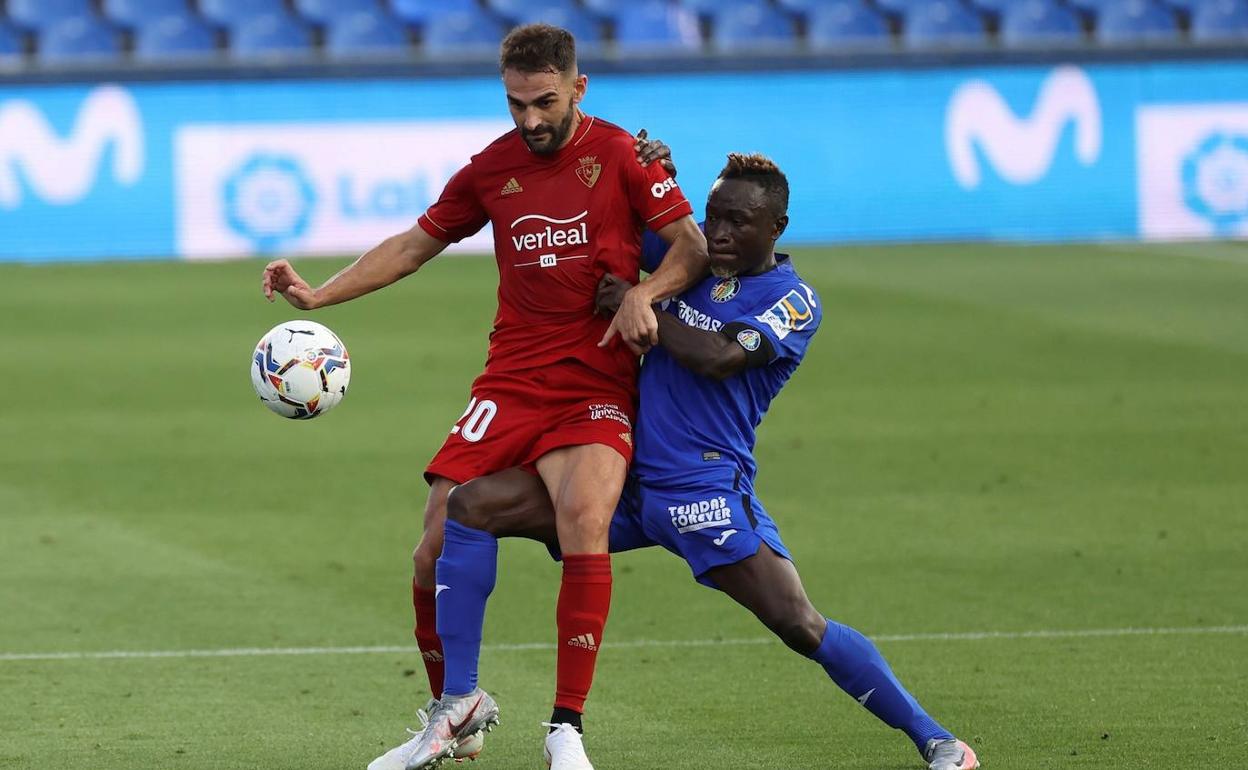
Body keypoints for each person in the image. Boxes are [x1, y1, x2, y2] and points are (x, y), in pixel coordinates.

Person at [260, 24, 708, 770]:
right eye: (514, 104)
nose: (530, 120)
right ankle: (453, 712)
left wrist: (645, 293)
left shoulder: (624, 154)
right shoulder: (492, 169)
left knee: (582, 517)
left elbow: (690, 246)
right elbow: (413, 245)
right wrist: (319, 295)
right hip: (510, 381)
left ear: (578, 88)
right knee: (430, 545)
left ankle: (567, 729)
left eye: (544, 102)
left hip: (592, 382)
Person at [442, 152, 981, 770]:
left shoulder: (793, 298)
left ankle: (939, 741)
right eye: (714, 217)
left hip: (702, 491)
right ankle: (460, 704)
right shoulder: (691, 263)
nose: (720, 233)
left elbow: (722, 357)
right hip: (625, 479)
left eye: (740, 223)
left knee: (799, 623)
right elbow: (615, 224)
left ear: (777, 226)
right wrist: (644, 172)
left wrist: (634, 303)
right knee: (474, 504)